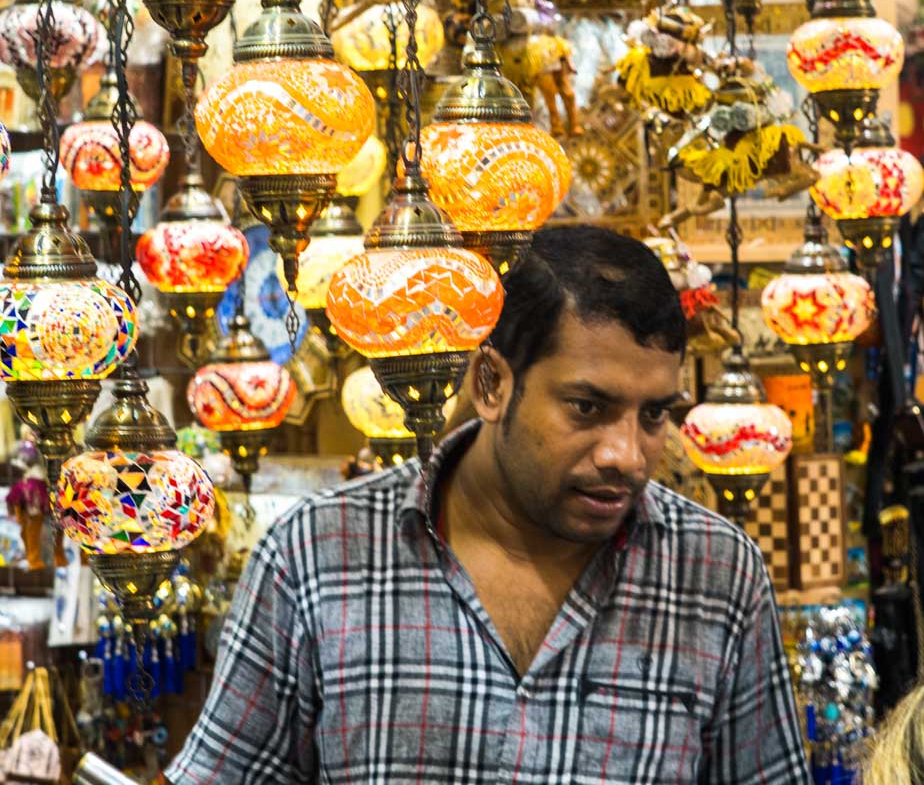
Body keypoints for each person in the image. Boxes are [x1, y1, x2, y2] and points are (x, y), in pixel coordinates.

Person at [166, 225, 807, 784]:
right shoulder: (316, 557)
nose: (628, 456)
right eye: (588, 407)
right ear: (491, 383)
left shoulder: (717, 577)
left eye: (653, 415)